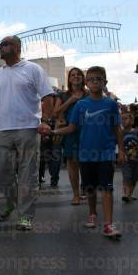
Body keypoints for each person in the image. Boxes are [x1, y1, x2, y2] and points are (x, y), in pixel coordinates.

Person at [0, 36, 54, 231]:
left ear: (17, 47)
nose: (1, 47)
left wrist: (44, 121)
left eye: (5, 44)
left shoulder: (33, 69)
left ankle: (25, 216)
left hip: (28, 127)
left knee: (28, 173)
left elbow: (48, 96)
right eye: (0, 44)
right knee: (0, 170)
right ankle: (11, 200)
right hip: (2, 129)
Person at [49, 66, 125, 239]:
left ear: (105, 82)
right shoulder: (81, 105)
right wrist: (53, 132)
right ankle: (92, 214)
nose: (94, 82)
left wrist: (121, 150)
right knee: (90, 188)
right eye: (91, 79)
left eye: (98, 79)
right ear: (87, 83)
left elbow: (118, 128)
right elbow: (71, 127)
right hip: (85, 154)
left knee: (107, 188)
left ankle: (108, 224)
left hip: (106, 153)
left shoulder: (111, 104)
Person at [54, 68, 88, 204]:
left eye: (78, 74)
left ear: (83, 77)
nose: (76, 77)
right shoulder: (63, 95)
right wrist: (71, 100)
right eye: (72, 75)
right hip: (69, 132)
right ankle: (76, 195)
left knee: (87, 163)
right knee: (72, 164)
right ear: (69, 78)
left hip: (88, 131)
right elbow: (55, 112)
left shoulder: (89, 94)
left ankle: (86, 189)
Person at [121, 112, 138, 202]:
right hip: (126, 159)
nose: (124, 121)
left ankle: (130, 195)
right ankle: (126, 194)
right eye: (122, 119)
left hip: (137, 159)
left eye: (126, 118)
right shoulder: (120, 133)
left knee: (134, 178)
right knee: (126, 176)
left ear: (132, 121)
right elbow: (116, 145)